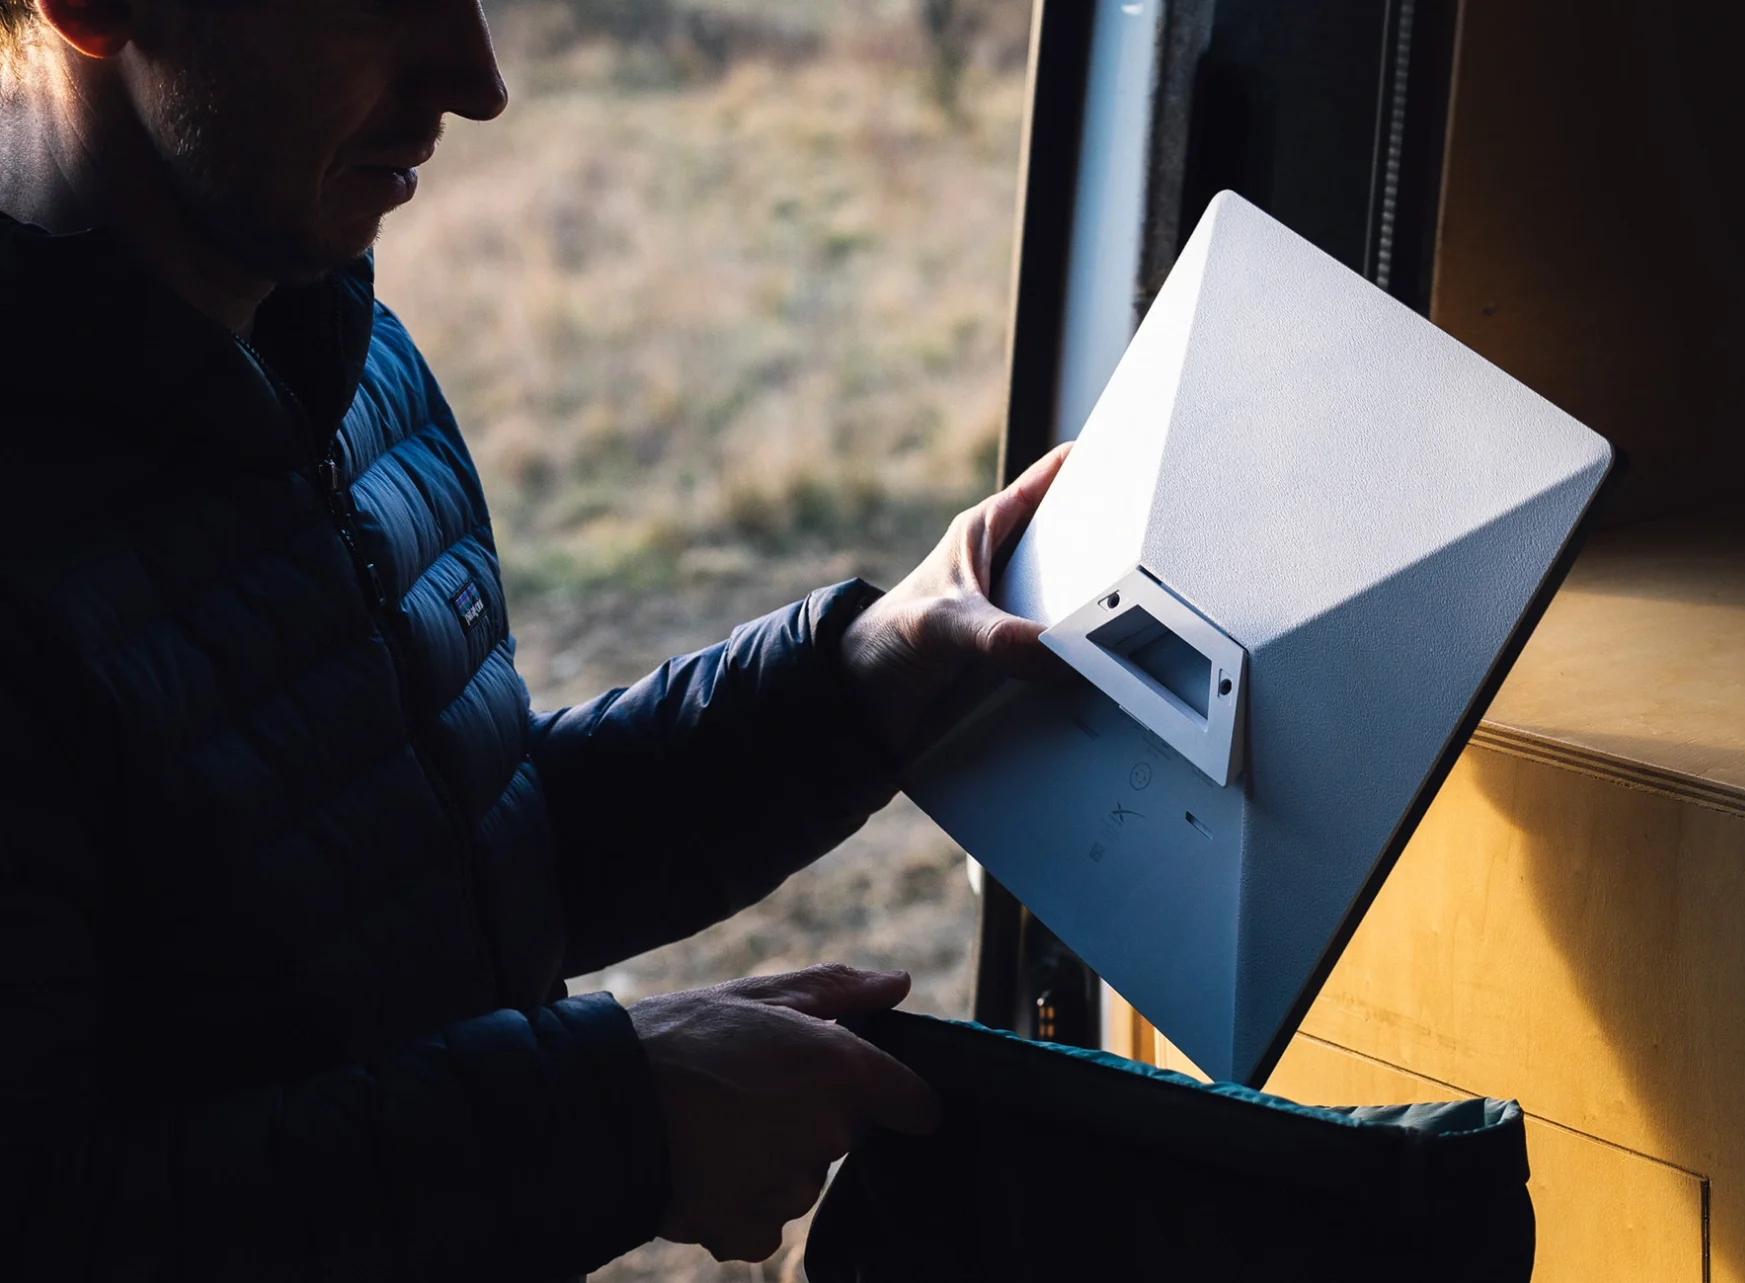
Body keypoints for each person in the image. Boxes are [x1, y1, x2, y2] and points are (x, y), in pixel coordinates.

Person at [0, 0, 1065, 1275]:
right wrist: (619, 1114)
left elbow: (426, 860)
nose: (477, 80)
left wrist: (856, 677)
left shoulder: (334, 347)